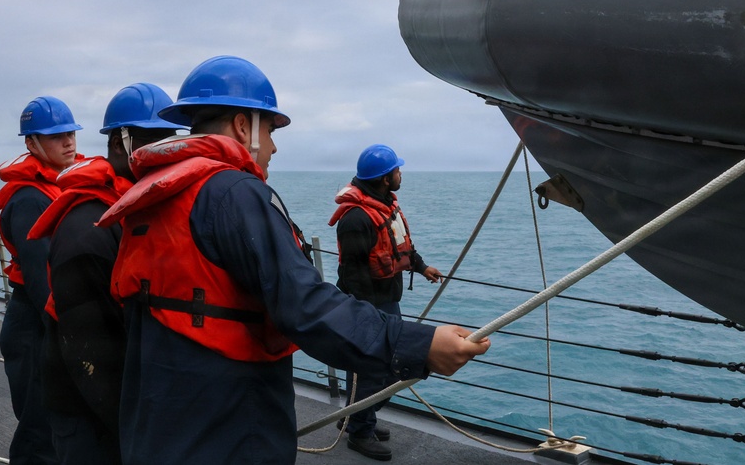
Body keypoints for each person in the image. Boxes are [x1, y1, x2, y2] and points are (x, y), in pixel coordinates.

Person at [96, 55, 490, 465]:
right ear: (243, 126)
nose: (273, 146)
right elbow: (304, 303)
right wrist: (418, 345)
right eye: (268, 129)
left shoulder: (157, 195)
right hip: (230, 418)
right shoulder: (235, 194)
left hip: (161, 415)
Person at [28, 83, 184, 465]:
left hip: (126, 388)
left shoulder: (134, 210)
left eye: (168, 141)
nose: (163, 153)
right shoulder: (88, 227)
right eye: (150, 142)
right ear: (118, 144)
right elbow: (90, 353)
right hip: (86, 403)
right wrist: (131, 426)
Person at [0, 96, 83, 465]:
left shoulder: (59, 186)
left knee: (56, 424)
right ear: (31, 144)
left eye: (70, 133)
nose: (69, 142)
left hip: (46, 318)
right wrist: (69, 337)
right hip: (34, 325)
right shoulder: (29, 200)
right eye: (57, 136)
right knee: (38, 430)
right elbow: (42, 281)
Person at [328, 144, 441, 460]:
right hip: (368, 306)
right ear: (383, 178)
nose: (400, 173)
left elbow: (400, 246)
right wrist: (367, 315)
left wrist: (422, 267)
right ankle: (359, 431)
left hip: (387, 301)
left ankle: (357, 417)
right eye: (396, 170)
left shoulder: (385, 205)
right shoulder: (356, 219)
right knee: (378, 371)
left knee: (382, 371)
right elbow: (351, 272)